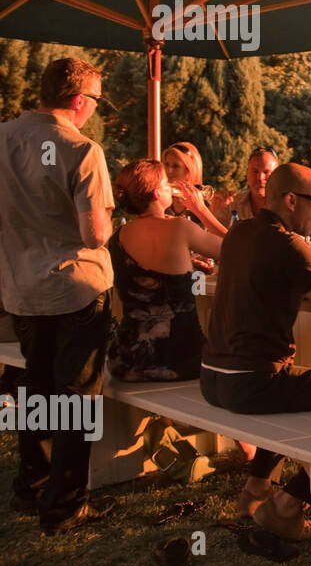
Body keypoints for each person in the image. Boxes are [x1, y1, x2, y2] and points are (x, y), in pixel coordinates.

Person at [201, 163, 311, 541]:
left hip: (213, 377)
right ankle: (287, 506)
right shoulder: (289, 244)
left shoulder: (239, 234)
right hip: (253, 383)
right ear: (290, 199)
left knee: (302, 378)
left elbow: (283, 286)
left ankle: (255, 486)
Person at [0, 57, 116, 534]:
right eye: (93, 101)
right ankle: (65, 505)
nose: (92, 110)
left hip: (21, 289)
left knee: (37, 386)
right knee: (76, 397)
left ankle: (32, 483)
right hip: (75, 290)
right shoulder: (81, 149)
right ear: (76, 100)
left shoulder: (3, 137)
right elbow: (94, 235)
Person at [107, 160, 224, 382]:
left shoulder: (118, 236)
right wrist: (200, 210)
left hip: (127, 360)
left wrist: (187, 265)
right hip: (180, 359)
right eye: (166, 184)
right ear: (157, 193)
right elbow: (239, 250)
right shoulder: (179, 227)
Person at [161, 141, 228, 236]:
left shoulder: (205, 203)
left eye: (175, 166)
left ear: (189, 170)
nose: (168, 170)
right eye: (166, 164)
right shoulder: (162, 199)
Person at [213, 146, 278, 227]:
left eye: (266, 172)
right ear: (247, 172)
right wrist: (214, 210)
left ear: (276, 175)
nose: (260, 177)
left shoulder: (285, 209)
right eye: (255, 171)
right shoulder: (232, 205)